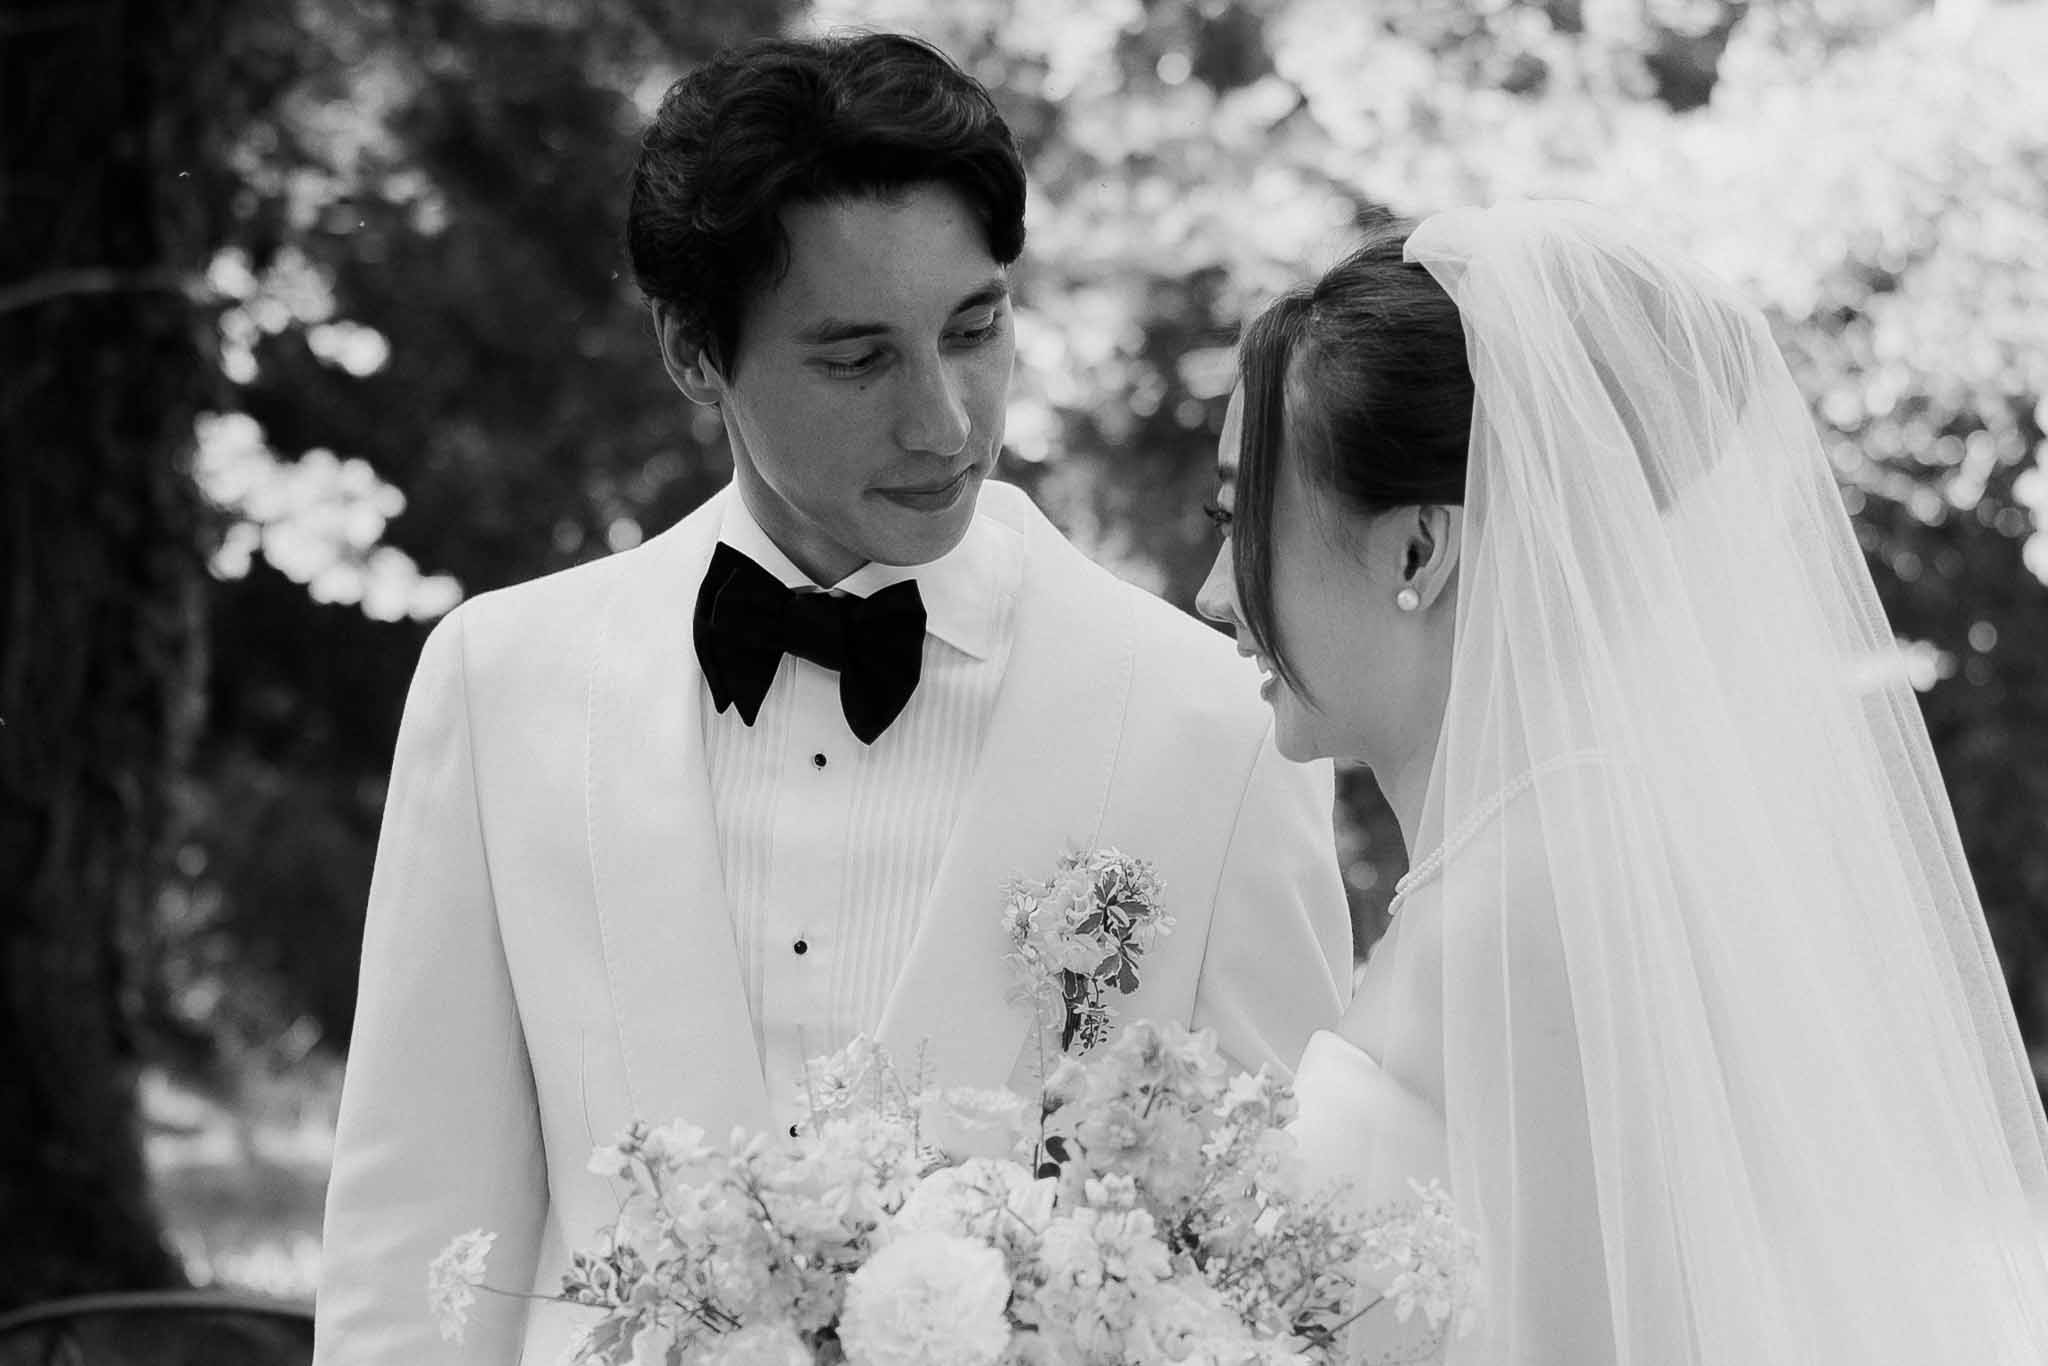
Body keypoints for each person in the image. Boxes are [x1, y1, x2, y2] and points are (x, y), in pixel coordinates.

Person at [312, 32, 1353, 1366]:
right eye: (858, 360)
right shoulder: (503, 681)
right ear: (695, 356)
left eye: (974, 331)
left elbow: (1279, 1264)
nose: (946, 422)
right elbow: (414, 1251)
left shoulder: (1212, 721)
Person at [1197, 200, 2048, 1363]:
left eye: (1239, 518)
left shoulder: (1524, 906)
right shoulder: (1525, 862)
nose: (1210, 590)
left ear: (1416, 550)